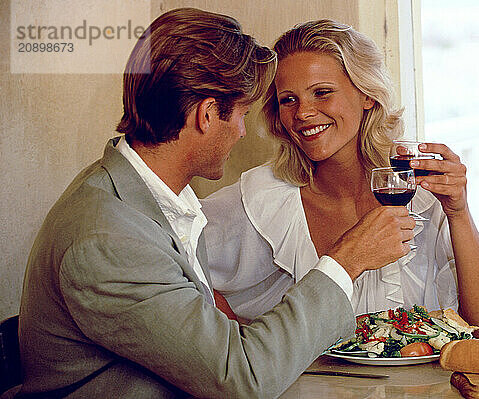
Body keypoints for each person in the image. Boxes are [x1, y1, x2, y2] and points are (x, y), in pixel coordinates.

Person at [14, 9, 415, 399]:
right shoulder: (110, 241)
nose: (243, 132)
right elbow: (241, 380)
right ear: (207, 115)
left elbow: (207, 341)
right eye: (241, 113)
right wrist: (345, 261)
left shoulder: (146, 197)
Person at [200, 19, 479, 340]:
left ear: (367, 95)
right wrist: (236, 346)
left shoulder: (418, 184)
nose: (303, 113)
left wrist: (458, 213)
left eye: (322, 93)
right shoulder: (264, 197)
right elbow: (179, 256)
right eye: (288, 99)